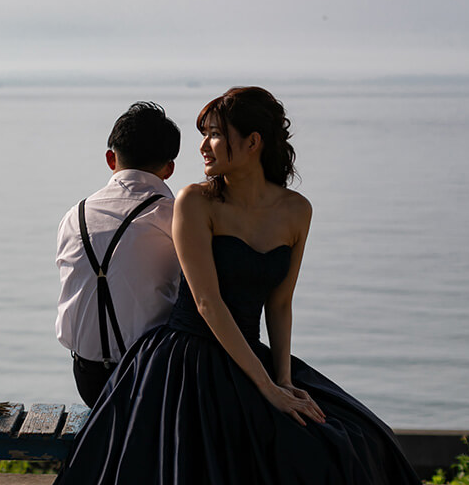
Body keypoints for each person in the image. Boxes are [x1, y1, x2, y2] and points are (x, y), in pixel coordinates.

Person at [54, 86, 419, 484]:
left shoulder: (297, 210)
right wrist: (266, 388)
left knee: (361, 440)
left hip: (247, 355)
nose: (202, 147)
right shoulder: (193, 201)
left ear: (252, 142)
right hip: (185, 360)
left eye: (213, 134)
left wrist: (283, 380)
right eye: (204, 134)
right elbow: (207, 302)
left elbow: (280, 305)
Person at [55, 101, 182, 406]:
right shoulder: (173, 216)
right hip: (150, 377)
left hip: (88, 380)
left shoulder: (75, 215)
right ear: (169, 168)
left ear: (111, 159)